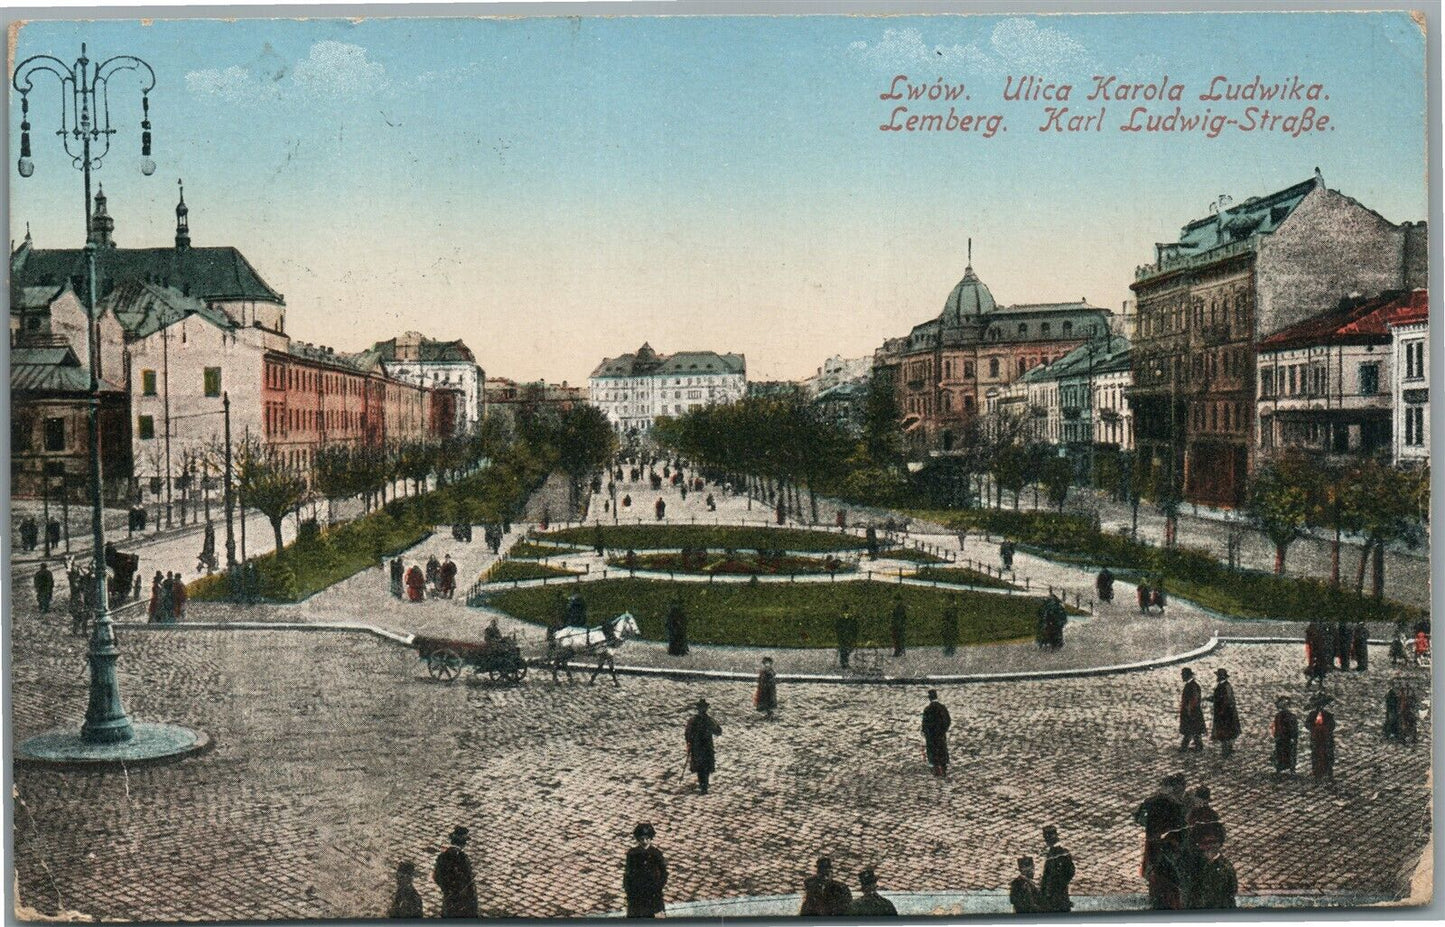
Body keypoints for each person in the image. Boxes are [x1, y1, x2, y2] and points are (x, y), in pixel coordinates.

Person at [1133, 774, 1188, 910]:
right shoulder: (1176, 806)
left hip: (1153, 843)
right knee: (1170, 875)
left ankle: (1156, 900)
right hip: (1170, 845)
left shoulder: (1150, 802)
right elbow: (1182, 828)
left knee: (1155, 871)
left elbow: (1139, 819)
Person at [432, 826, 479, 917]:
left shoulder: (442, 857)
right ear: (464, 843)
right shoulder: (463, 858)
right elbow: (467, 880)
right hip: (463, 901)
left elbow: (436, 876)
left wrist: (446, 889)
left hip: (449, 899)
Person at [623, 822, 668, 918]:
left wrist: (658, 886)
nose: (644, 841)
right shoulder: (632, 854)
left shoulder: (656, 854)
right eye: (642, 839)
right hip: (637, 892)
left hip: (653, 893)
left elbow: (664, 872)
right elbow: (628, 872)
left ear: (651, 838)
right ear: (638, 839)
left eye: (647, 839)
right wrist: (629, 890)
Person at [685, 698, 722, 794]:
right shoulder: (707, 720)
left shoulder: (694, 720)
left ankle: (703, 786)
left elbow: (687, 734)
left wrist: (689, 742)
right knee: (704, 767)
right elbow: (718, 731)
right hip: (704, 747)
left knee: (701, 767)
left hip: (700, 747)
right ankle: (704, 786)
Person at [1039, 826, 1075, 913]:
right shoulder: (1052, 852)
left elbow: (1070, 871)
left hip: (1057, 893)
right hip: (1055, 893)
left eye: (1047, 838)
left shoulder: (1061, 853)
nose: (1046, 841)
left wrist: (1059, 883)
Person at [921, 689, 951, 777]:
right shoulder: (942, 708)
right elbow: (948, 720)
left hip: (931, 736)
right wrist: (943, 730)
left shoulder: (928, 709)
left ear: (929, 698)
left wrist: (925, 732)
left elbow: (925, 724)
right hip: (941, 735)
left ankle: (936, 770)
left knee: (933, 751)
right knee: (942, 749)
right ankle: (943, 767)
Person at [1209, 669, 1240, 757]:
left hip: (1225, 714)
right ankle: (1228, 750)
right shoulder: (1223, 685)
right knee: (1227, 732)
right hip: (1225, 713)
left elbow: (1226, 700)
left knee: (1225, 733)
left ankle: (1226, 752)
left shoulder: (1225, 686)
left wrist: (1222, 712)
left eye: (1217, 676)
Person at [1306, 693, 1336, 779]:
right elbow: (1307, 724)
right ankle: (1317, 772)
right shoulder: (1312, 715)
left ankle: (1328, 772)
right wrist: (1314, 728)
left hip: (1326, 739)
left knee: (1328, 754)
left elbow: (1332, 726)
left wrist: (1325, 728)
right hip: (1316, 739)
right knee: (1316, 755)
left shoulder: (1328, 715)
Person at [1178, 668, 1206, 752]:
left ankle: (1187, 747)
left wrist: (1189, 711)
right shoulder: (1190, 685)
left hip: (1192, 713)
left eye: (1183, 675)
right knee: (1193, 731)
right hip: (1191, 712)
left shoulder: (1192, 686)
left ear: (1187, 676)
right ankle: (1194, 746)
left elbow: (1194, 700)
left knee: (1192, 731)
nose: (1182, 677)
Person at [1271, 696, 1299, 773]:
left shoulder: (1291, 716)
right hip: (1281, 737)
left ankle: (1291, 767)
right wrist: (1276, 735)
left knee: (1290, 752)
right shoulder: (1278, 716)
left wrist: (1293, 737)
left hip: (1288, 737)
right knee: (1280, 752)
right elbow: (1277, 727)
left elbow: (1294, 728)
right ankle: (1280, 766)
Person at [890, 592, 907, 657]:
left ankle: (898, 651)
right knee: (896, 638)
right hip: (897, 625)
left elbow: (901, 618)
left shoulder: (900, 608)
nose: (894, 602)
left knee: (898, 638)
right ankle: (899, 650)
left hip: (898, 626)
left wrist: (898, 624)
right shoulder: (897, 607)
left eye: (896, 600)